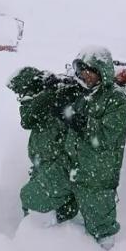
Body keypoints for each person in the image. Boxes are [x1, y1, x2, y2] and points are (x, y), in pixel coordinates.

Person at [18, 46, 126, 250]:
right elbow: (32, 116)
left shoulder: (116, 99)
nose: (84, 75)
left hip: (96, 176)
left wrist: (75, 119)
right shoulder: (77, 91)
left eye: (90, 70)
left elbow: (106, 135)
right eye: (81, 69)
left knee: (102, 231)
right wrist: (52, 94)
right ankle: (38, 237)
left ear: (101, 72)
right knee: (32, 196)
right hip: (67, 166)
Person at [8, 67, 81, 222]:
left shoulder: (55, 111)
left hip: (65, 173)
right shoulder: (40, 115)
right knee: (30, 199)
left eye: (23, 94)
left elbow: (69, 153)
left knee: (30, 197)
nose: (21, 99)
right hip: (50, 171)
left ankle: (61, 230)